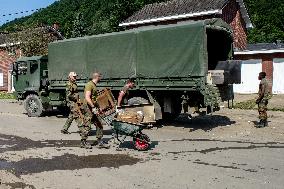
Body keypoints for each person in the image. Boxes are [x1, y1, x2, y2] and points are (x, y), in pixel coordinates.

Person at [82, 72, 109, 148]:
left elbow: (94, 99)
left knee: (99, 123)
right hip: (88, 107)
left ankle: (99, 141)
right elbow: (87, 97)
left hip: (93, 106)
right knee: (87, 124)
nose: (101, 78)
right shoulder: (89, 85)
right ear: (97, 77)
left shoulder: (94, 85)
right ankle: (83, 142)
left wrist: (98, 107)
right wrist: (93, 107)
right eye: (100, 77)